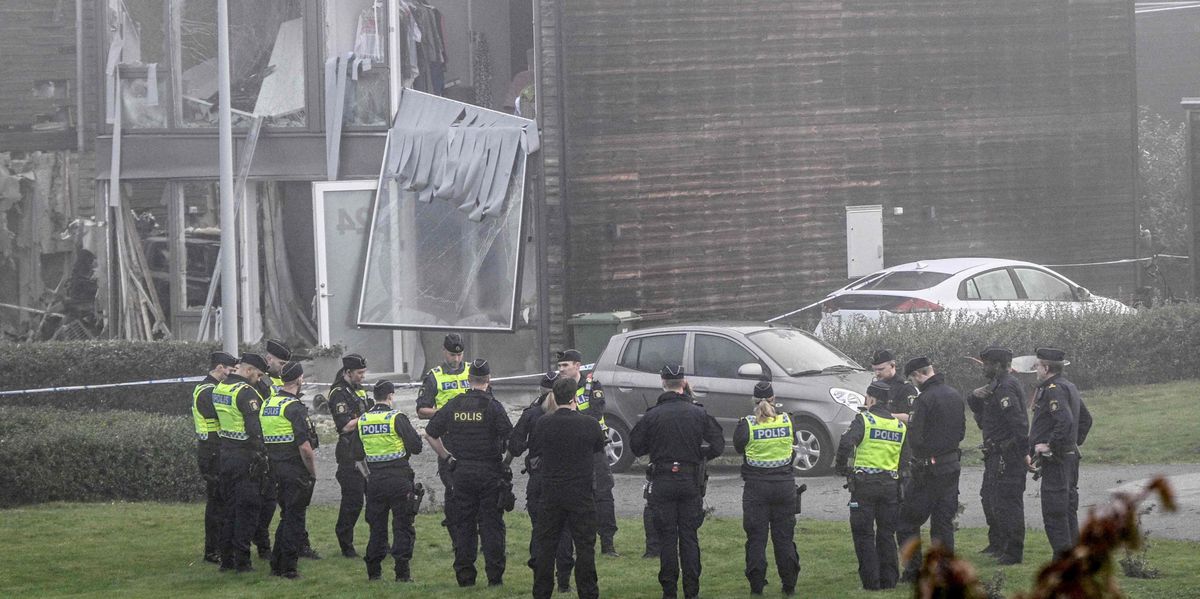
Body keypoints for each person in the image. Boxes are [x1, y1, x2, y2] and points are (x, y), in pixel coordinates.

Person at [630, 365, 725, 599]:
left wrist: (655, 447)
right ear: (684, 383)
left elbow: (635, 446)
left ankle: (669, 591)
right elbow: (718, 444)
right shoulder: (698, 413)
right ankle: (692, 591)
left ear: (663, 382)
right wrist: (699, 456)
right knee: (689, 537)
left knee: (667, 538)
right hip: (689, 479)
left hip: (662, 479)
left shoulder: (652, 415)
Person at [425, 358, 514, 587]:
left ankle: (465, 578)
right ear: (488, 379)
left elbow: (430, 434)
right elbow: (511, 439)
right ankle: (495, 578)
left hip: (461, 471)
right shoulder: (493, 407)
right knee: (492, 525)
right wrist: (505, 462)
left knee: (464, 525)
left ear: (468, 379)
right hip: (489, 472)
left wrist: (447, 457)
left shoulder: (455, 404)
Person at [530, 376, 608, 599]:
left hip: (551, 493)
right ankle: (588, 592)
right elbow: (598, 448)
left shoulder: (543, 423)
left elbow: (536, 448)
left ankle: (542, 592)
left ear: (554, 396)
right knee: (585, 547)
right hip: (581, 493)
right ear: (575, 397)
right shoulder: (589, 424)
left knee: (546, 546)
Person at [897, 357, 965, 582]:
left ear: (917, 375)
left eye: (913, 379)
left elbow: (915, 438)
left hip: (927, 469)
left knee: (907, 521)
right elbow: (962, 432)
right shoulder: (954, 394)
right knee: (942, 522)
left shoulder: (923, 399)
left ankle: (913, 571)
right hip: (951, 465)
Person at [507, 371, 575, 591]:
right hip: (565, 479)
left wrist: (508, 462)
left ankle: (540, 579)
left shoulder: (532, 415)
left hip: (539, 479)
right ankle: (564, 582)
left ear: (541, 390)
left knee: (540, 530)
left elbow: (515, 445)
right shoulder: (573, 413)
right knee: (564, 530)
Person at [835, 380, 906, 591]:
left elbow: (847, 443)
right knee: (886, 534)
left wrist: (842, 468)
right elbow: (903, 459)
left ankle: (871, 583)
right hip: (890, 487)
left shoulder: (864, 420)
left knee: (864, 534)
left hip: (865, 486)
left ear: (871, 399)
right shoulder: (899, 426)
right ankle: (890, 580)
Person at [733, 381, 800, 596]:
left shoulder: (747, 424)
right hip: (784, 486)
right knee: (784, 538)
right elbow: (793, 444)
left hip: (756, 488)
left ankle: (756, 586)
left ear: (753, 400)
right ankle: (789, 585)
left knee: (756, 539)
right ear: (774, 397)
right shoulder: (788, 420)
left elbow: (737, 447)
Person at [355, 380, 424, 582]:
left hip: (375, 480)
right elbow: (417, 446)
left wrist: (369, 475)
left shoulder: (363, 420)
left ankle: (374, 572)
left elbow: (356, 454)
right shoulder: (396, 418)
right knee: (402, 525)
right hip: (399, 478)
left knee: (377, 527)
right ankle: (402, 573)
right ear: (391, 396)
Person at [1026, 347, 1092, 555]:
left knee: (1055, 513)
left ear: (1046, 368)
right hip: (1069, 458)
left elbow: (1065, 421)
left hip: (1058, 460)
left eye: (1037, 365)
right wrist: (1073, 443)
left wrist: (1052, 445)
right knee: (1067, 510)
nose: (1035, 369)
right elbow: (1086, 420)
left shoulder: (1053, 389)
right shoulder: (1068, 386)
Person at [968, 346, 1029, 564]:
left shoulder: (1006, 386)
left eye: (986, 364)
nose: (983, 367)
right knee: (990, 498)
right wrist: (973, 395)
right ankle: (997, 542)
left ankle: (1013, 551)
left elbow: (1019, 423)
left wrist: (1024, 453)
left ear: (997, 365)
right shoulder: (996, 384)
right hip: (994, 453)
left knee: (1008, 502)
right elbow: (979, 405)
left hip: (1007, 454)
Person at [557, 349, 619, 556]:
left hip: (594, 448)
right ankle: (574, 543)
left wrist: (572, 418)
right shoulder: (557, 387)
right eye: (559, 366)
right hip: (569, 450)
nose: (561, 369)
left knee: (602, 494)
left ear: (577, 365)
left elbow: (596, 412)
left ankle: (607, 543)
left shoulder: (592, 385)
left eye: (565, 365)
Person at [259, 361, 317, 579]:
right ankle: (289, 568)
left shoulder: (268, 404)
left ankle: (276, 563)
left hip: (274, 468)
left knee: (286, 516)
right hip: (295, 469)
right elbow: (305, 448)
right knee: (294, 519)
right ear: (300, 379)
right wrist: (312, 472)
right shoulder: (294, 408)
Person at [213, 352, 270, 572]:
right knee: (247, 510)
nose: (259, 378)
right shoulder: (246, 392)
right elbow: (255, 430)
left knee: (229, 510)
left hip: (226, 453)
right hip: (245, 458)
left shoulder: (221, 388)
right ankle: (243, 561)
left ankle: (226, 560)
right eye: (258, 374)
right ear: (248, 370)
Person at [417, 333, 470, 538]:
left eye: (459, 355)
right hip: (447, 437)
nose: (456, 360)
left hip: (471, 436)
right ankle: (455, 530)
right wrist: (445, 413)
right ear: (444, 352)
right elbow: (422, 410)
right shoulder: (434, 376)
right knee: (452, 486)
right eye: (451, 355)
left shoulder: (472, 371)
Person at [192, 350, 237, 564]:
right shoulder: (207, 391)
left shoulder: (212, 388)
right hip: (212, 451)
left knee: (222, 501)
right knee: (217, 504)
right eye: (230, 370)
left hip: (215, 449)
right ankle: (213, 550)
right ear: (219, 367)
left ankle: (221, 546)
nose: (231, 374)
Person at [329, 353, 372, 557]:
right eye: (359, 373)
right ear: (348, 372)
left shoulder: (358, 390)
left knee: (374, 499)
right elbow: (345, 425)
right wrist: (368, 418)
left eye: (364, 372)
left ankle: (378, 541)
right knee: (353, 501)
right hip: (349, 452)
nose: (363, 376)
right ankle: (345, 542)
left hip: (365, 450)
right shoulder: (338, 393)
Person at [252, 338, 291, 560]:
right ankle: (262, 542)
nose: (283, 367)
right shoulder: (262, 381)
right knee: (265, 500)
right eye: (281, 363)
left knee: (275, 498)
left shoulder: (277, 379)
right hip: (264, 445)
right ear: (269, 359)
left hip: (277, 444)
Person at [870, 350, 918, 423]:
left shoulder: (905, 388)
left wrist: (886, 415)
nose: (877, 373)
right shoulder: (874, 387)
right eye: (874, 369)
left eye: (881, 369)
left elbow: (911, 418)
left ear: (892, 365)